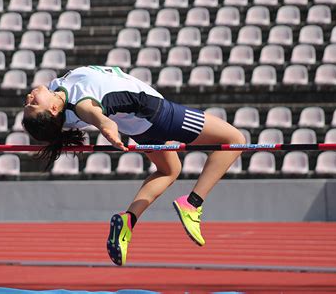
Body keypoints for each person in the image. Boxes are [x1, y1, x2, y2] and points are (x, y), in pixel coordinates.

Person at [22, 66, 245, 266]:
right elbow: (94, 114)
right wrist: (106, 126)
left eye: (28, 102)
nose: (29, 96)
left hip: (139, 126)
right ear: (52, 109)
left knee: (169, 171)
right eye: (33, 103)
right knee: (235, 140)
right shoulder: (80, 105)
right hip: (158, 115)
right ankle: (193, 203)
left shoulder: (56, 90)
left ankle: (128, 220)